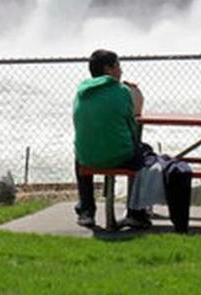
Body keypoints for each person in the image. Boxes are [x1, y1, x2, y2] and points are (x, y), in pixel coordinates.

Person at [73, 49, 191, 232]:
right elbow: (133, 125)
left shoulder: (81, 91)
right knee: (143, 154)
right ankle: (136, 213)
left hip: (87, 157)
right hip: (118, 156)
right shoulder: (121, 91)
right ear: (108, 69)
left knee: (79, 156)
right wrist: (134, 93)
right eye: (118, 65)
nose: (121, 70)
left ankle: (86, 210)